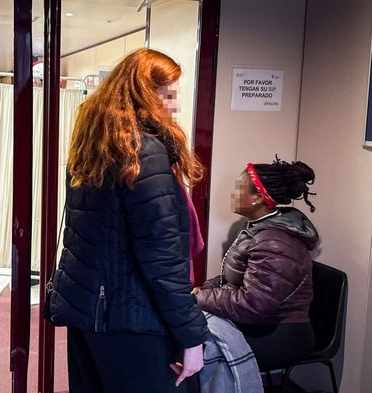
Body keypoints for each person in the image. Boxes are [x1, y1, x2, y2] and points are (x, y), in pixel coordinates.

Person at [45, 48, 210, 392]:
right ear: (146, 95)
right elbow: (162, 261)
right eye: (169, 95)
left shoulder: (92, 150)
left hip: (89, 313)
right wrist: (192, 337)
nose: (174, 106)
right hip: (131, 319)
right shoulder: (144, 154)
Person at [193, 157, 319, 371]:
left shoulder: (275, 242)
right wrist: (203, 290)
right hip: (262, 324)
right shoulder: (257, 229)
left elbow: (253, 306)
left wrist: (200, 299)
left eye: (239, 189)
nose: (233, 194)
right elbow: (232, 278)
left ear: (257, 198)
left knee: (198, 349)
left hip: (282, 334)